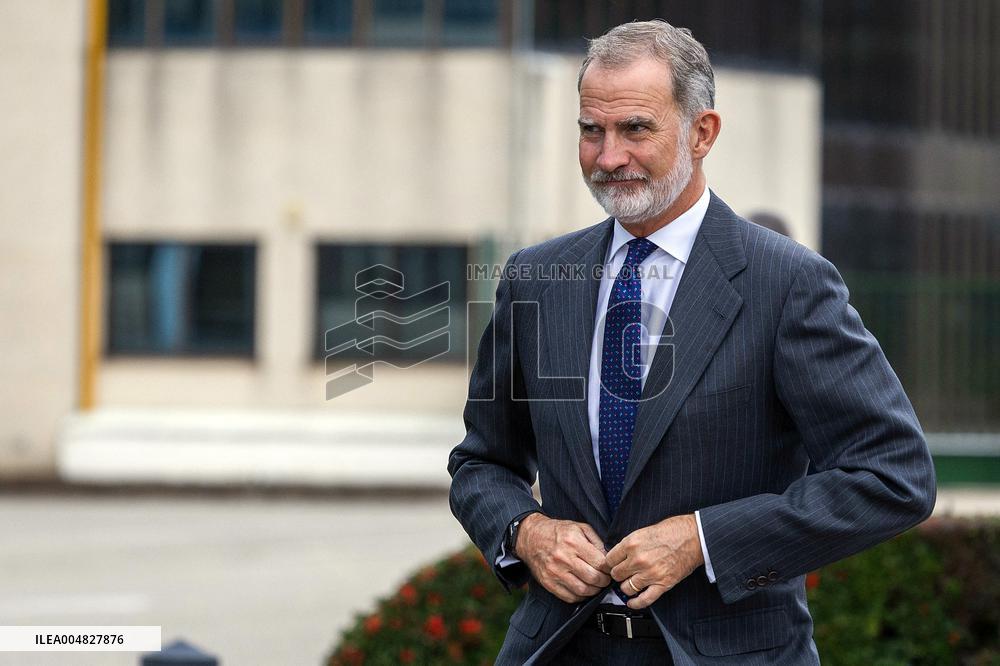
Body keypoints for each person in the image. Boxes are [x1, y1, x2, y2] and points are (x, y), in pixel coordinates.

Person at [448, 20, 935, 665]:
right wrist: (525, 530)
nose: (608, 156)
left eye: (635, 129)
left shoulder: (788, 285)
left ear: (702, 133)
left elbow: (893, 474)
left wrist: (705, 540)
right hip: (559, 651)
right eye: (591, 131)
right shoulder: (536, 279)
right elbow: (482, 464)